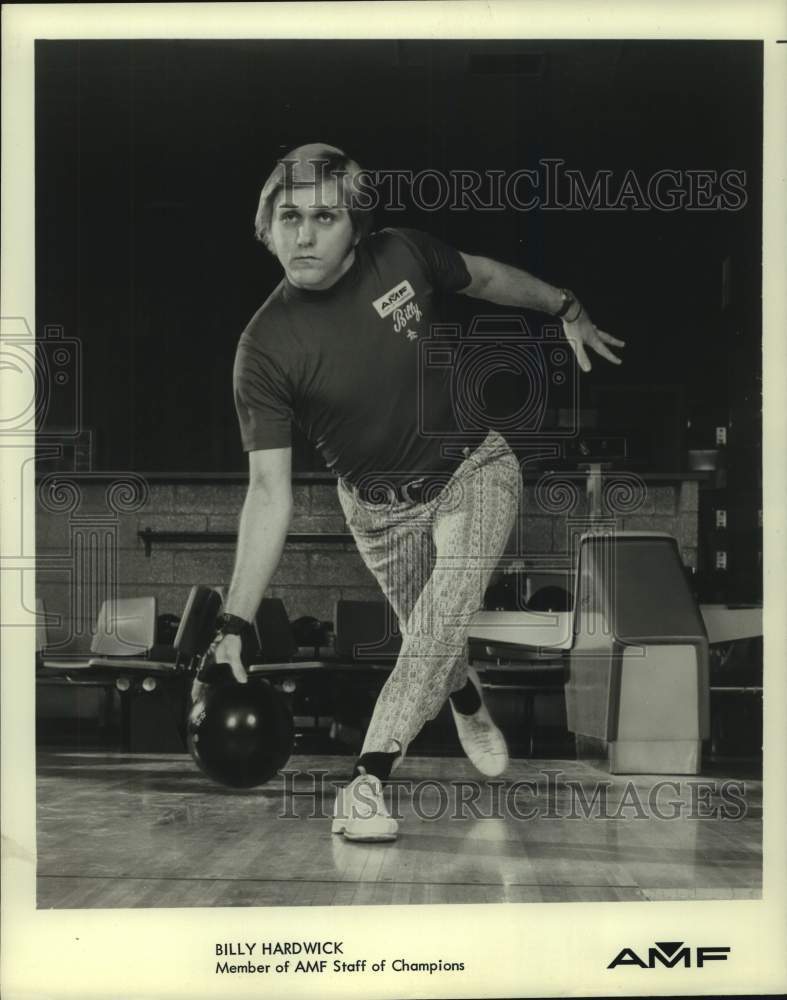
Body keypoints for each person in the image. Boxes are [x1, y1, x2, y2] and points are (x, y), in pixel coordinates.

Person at [207, 143, 624, 842]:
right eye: (287, 216)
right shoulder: (264, 348)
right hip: (375, 513)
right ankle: (464, 698)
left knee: (436, 622)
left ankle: (367, 781)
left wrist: (565, 305)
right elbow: (268, 493)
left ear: (356, 226)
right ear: (265, 226)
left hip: (475, 473)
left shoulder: (402, 255)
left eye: (324, 216)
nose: (303, 234)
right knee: (429, 638)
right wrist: (232, 624)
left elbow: (487, 277)